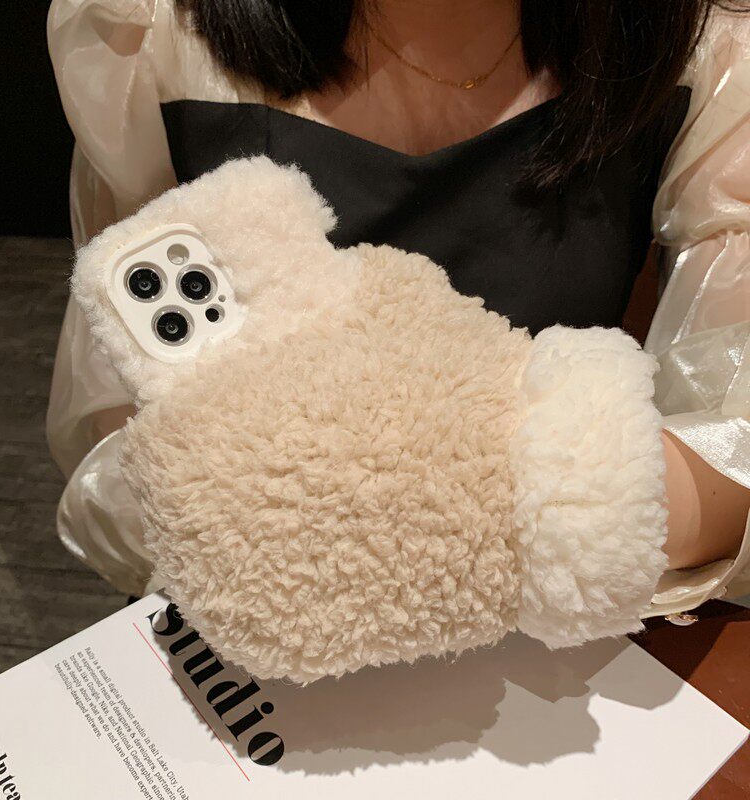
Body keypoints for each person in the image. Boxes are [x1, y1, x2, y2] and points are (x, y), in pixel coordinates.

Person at [46, 0, 750, 621]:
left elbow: (729, 452)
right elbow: (123, 441)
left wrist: (309, 511)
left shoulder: (708, 55)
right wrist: (552, 503)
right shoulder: (149, 37)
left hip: (531, 657)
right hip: (257, 632)